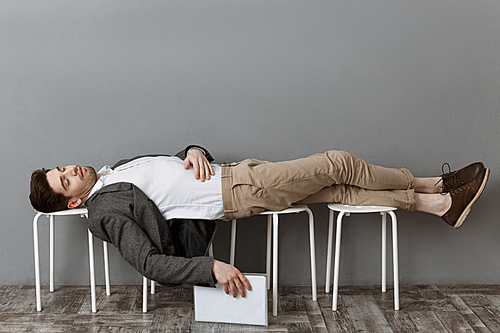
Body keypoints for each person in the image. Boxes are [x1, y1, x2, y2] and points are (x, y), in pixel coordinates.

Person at [29, 145, 490, 298]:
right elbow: (149, 263)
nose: (72, 172)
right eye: (65, 182)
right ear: (71, 203)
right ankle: (433, 185)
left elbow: (171, 167)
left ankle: (439, 206)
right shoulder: (105, 212)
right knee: (338, 163)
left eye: (65, 168)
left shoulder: (113, 171)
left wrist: (194, 151)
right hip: (237, 192)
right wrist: (209, 269)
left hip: (237, 172)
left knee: (338, 190)